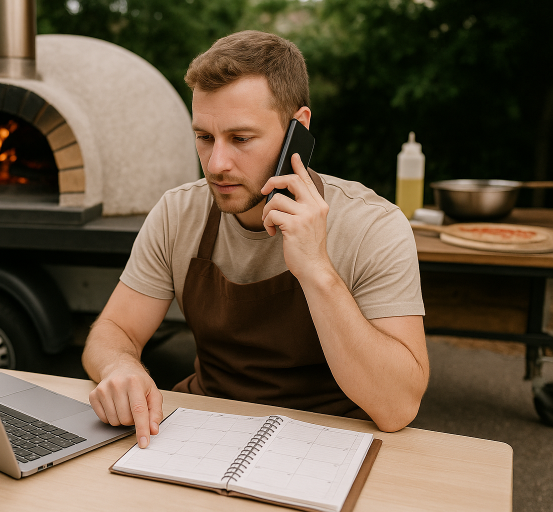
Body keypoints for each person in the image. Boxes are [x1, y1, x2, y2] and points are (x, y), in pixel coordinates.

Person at [82, 30, 429, 448]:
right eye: (204, 137)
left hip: (332, 443)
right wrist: (121, 366)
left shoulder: (374, 226)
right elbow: (113, 329)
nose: (217, 163)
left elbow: (398, 407)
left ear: (297, 128)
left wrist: (317, 270)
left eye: (241, 138)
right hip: (200, 432)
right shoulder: (178, 213)